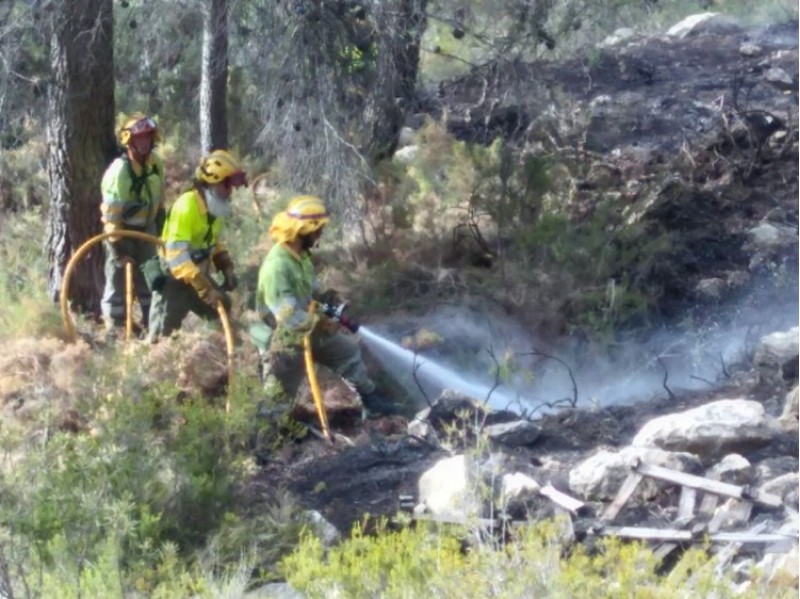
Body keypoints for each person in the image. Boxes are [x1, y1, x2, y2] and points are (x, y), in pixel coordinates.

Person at [255, 195, 397, 415]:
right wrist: (322, 321)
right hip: (284, 339)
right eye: (317, 229)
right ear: (303, 230)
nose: (320, 234)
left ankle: (371, 400)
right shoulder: (277, 267)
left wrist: (328, 300)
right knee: (278, 396)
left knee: (347, 352)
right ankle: (268, 432)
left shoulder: (301, 257)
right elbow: (288, 317)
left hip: (310, 327)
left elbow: (312, 296)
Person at [148, 149, 246, 341]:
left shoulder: (214, 207)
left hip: (197, 275)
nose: (230, 191)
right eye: (227, 185)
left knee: (223, 307)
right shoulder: (186, 207)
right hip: (175, 280)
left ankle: (217, 350)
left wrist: (225, 265)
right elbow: (177, 257)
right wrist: (206, 289)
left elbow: (212, 240)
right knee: (163, 337)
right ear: (212, 183)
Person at [100, 113, 165, 335]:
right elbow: (111, 214)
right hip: (122, 234)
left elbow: (160, 197)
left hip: (147, 232)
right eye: (139, 138)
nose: (145, 142)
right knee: (118, 283)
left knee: (152, 280)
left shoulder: (155, 164)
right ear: (129, 140)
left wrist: (160, 223)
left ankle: (152, 325)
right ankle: (116, 330)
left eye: (148, 137)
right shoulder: (119, 171)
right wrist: (117, 248)